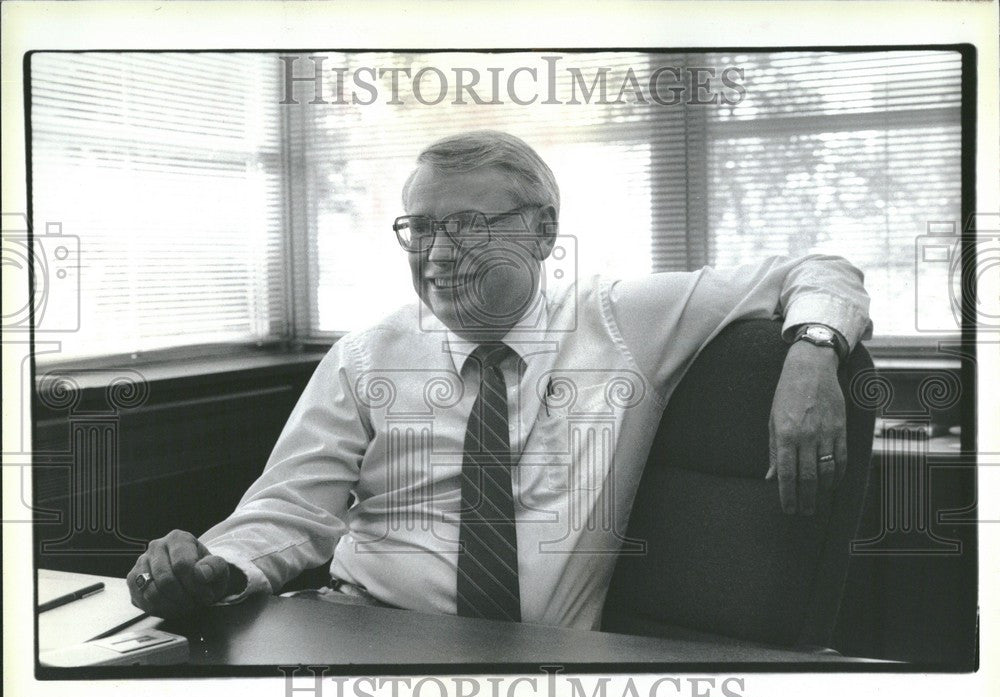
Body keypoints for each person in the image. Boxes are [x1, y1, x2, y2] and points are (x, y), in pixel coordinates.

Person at [128, 129, 872, 630]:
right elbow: (290, 511)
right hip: (363, 637)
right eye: (419, 228)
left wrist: (811, 354)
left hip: (544, 667)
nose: (437, 253)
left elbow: (820, 269)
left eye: (467, 225)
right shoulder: (365, 356)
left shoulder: (622, 321)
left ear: (544, 231)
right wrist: (215, 568)